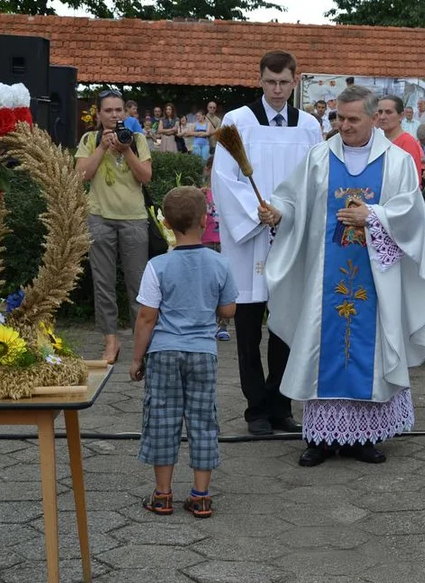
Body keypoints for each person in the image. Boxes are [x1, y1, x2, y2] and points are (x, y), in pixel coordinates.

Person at [259, 85, 425, 466]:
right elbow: (292, 199)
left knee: (370, 350)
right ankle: (319, 437)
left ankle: (364, 436)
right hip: (323, 279)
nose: (343, 126)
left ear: (374, 117)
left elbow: (411, 214)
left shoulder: (396, 162)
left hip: (376, 276)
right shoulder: (318, 157)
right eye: (339, 118)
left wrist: (373, 216)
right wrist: (279, 213)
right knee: (320, 346)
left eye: (352, 119)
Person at [212, 50, 322, 436]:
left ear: (296, 81)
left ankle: (280, 406)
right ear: (259, 80)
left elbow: (314, 180)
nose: (277, 90)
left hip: (288, 235)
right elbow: (224, 178)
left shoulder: (308, 125)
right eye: (270, 82)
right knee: (248, 329)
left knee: (285, 324)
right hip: (249, 240)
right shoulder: (237, 121)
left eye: (284, 82)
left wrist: (285, 213)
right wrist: (256, 211)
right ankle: (255, 409)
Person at [130, 186, 237, 519]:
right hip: (203, 353)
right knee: (203, 419)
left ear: (165, 222)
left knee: (162, 418)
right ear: (205, 220)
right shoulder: (220, 263)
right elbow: (230, 309)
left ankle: (163, 495)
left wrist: (137, 359)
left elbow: (147, 317)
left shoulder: (157, 267)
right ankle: (201, 495)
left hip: (163, 353)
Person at [75, 89, 153, 365]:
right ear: (99, 114)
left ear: (126, 112)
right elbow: (82, 175)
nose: (114, 115)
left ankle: (141, 346)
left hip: (134, 218)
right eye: (108, 111)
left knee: (138, 285)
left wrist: (126, 149)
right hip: (99, 217)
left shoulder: (138, 139)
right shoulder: (89, 139)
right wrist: (102, 148)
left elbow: (146, 177)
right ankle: (111, 341)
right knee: (103, 283)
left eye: (118, 110)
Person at [201, 155, 230, 342]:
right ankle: (207, 322)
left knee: (224, 283)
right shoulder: (202, 193)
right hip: (206, 242)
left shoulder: (227, 190)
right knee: (206, 284)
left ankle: (223, 324)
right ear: (208, 169)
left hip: (224, 243)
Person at [377, 95, 424, 175]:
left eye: (388, 112)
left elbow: (413, 177)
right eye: (380, 112)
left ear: (401, 116)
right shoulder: (378, 140)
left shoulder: (408, 142)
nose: (382, 117)